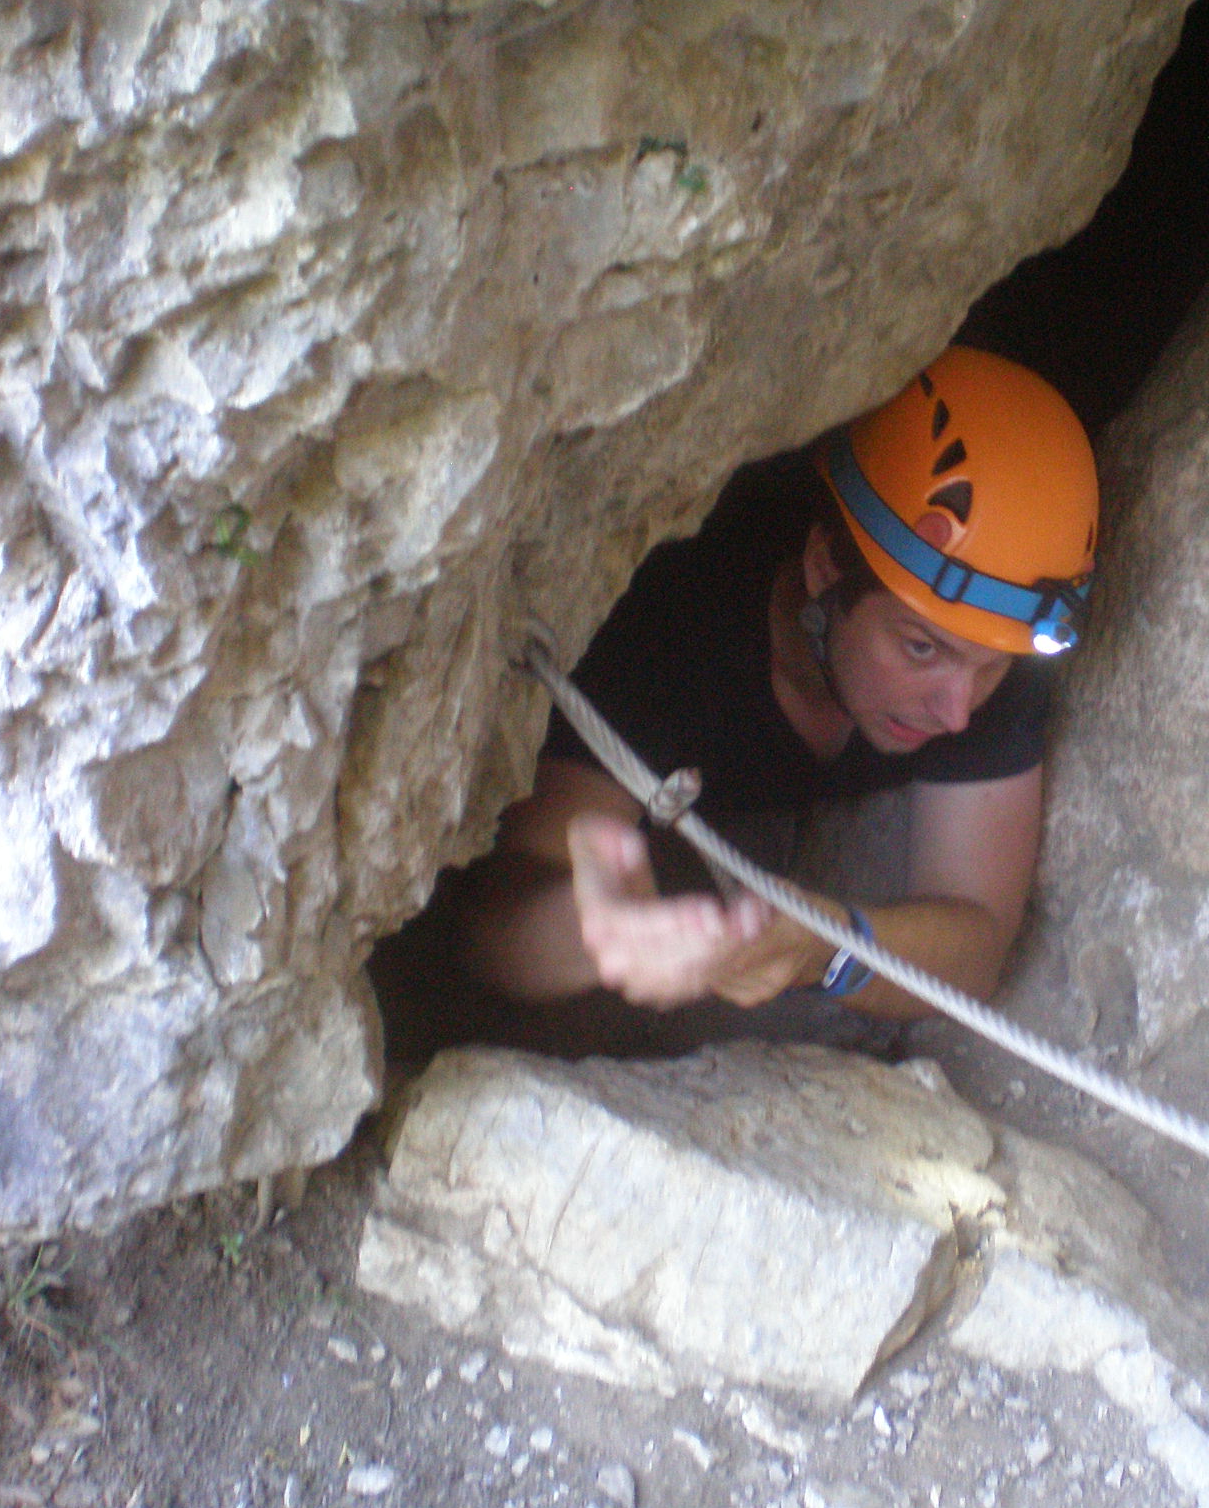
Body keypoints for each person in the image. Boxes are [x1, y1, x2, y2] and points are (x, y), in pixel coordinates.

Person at [459, 346, 1098, 1030]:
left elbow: (977, 947)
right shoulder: (675, 626)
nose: (958, 712)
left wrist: (827, 947)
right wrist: (597, 935)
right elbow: (493, 928)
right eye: (920, 648)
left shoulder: (989, 638)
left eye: (991, 667)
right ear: (824, 567)